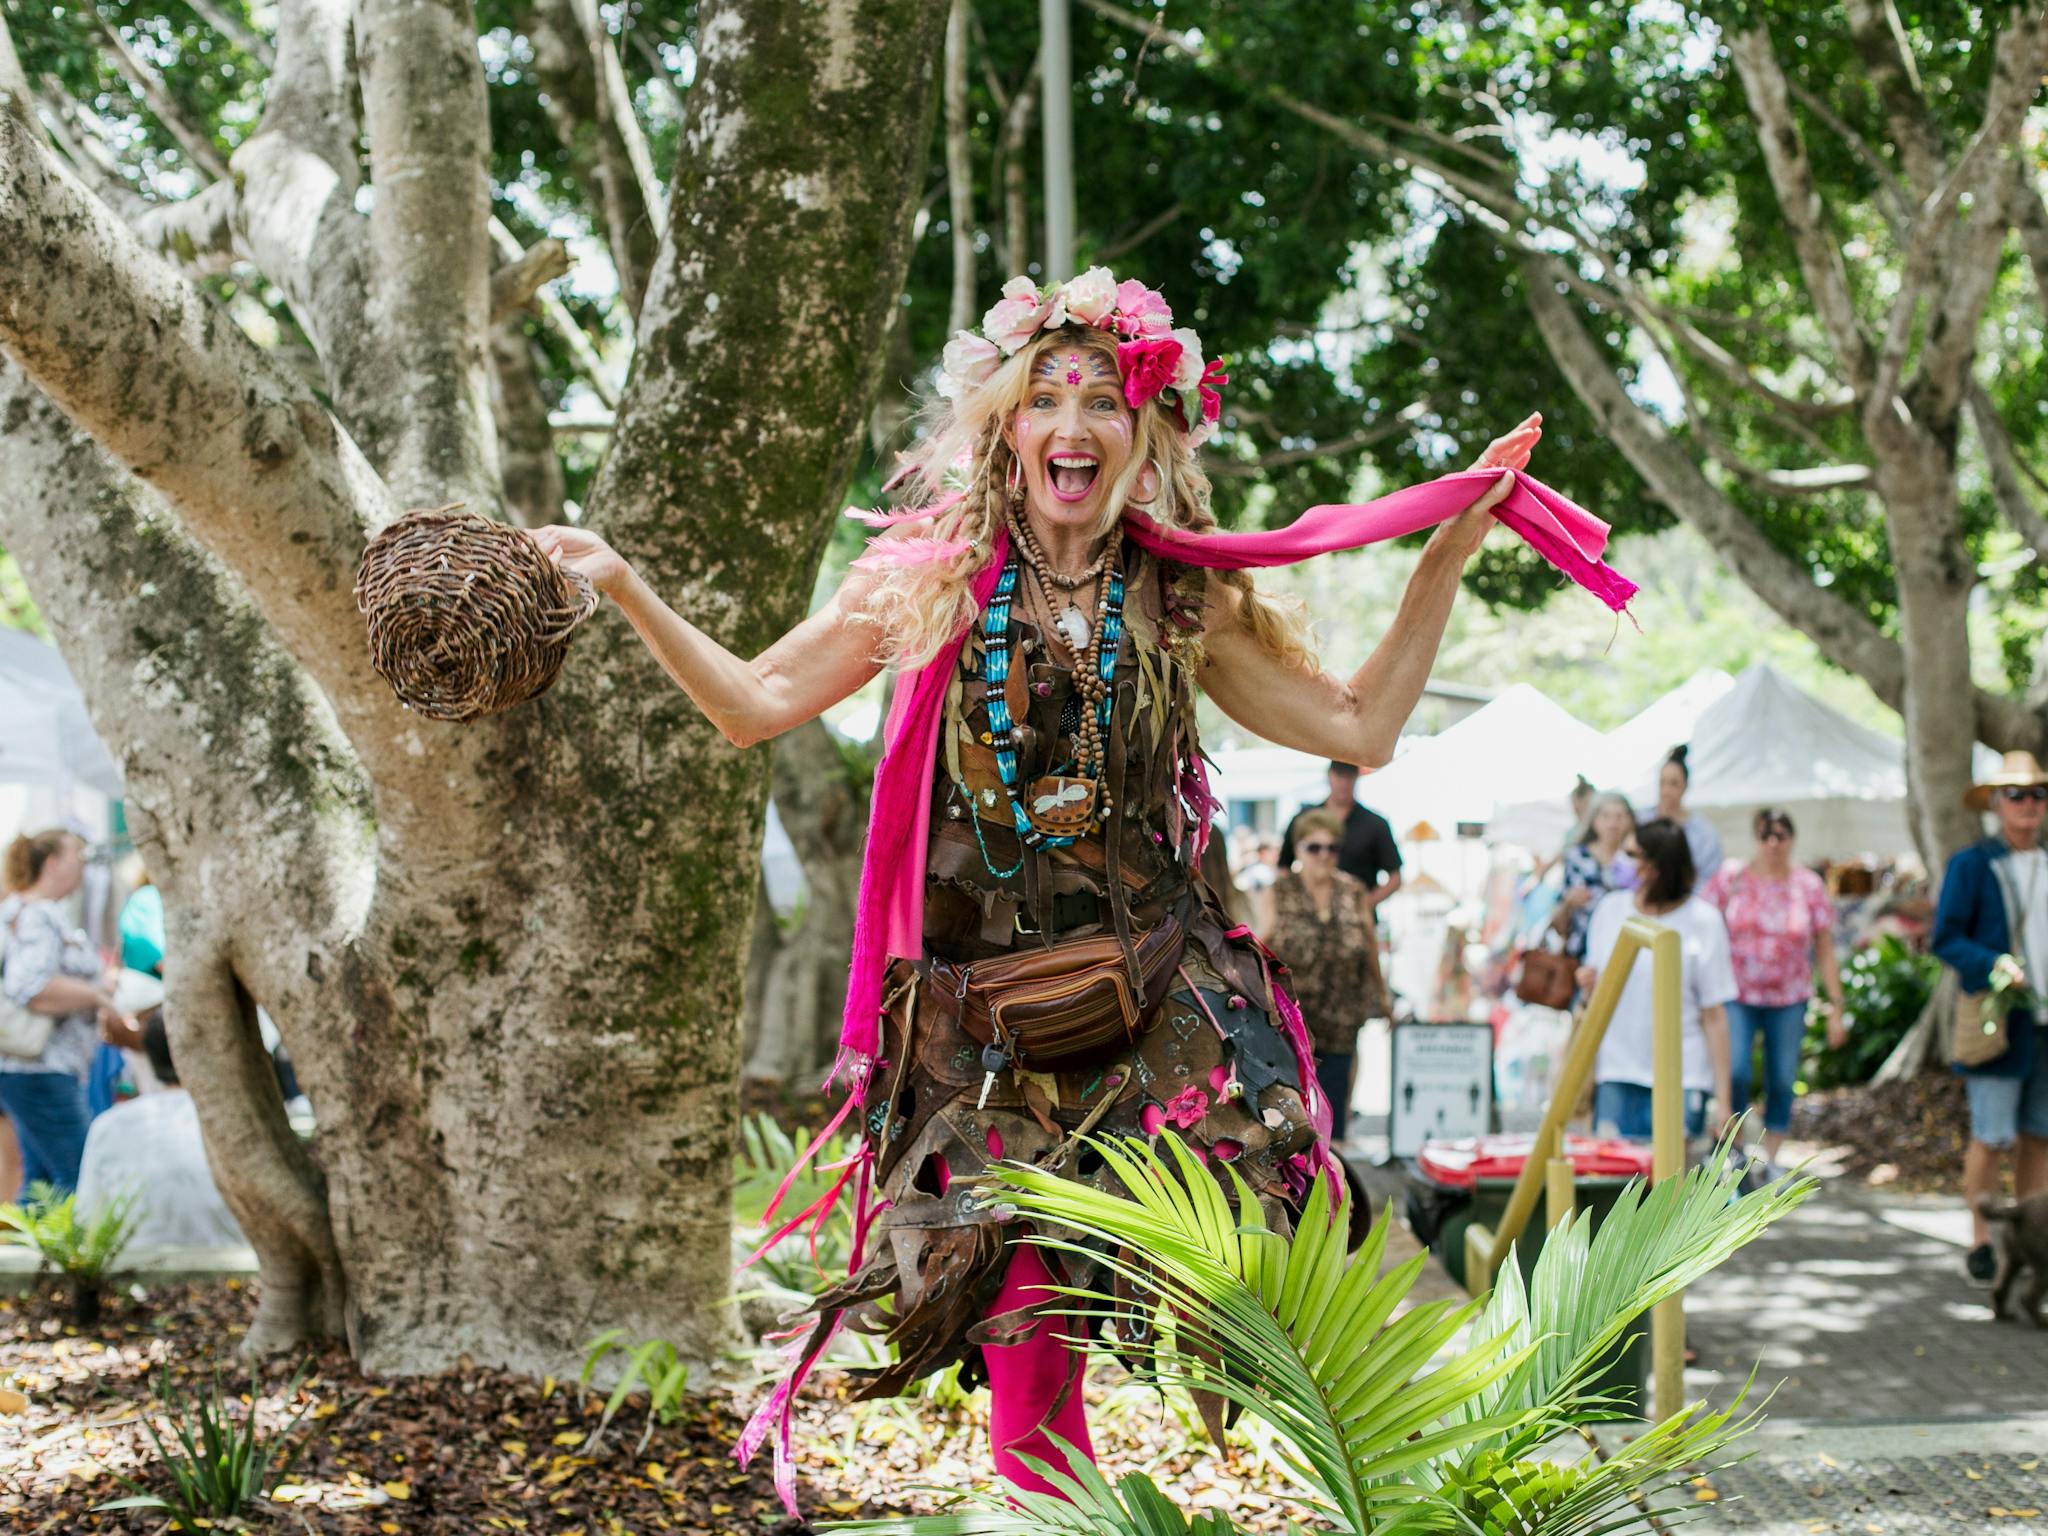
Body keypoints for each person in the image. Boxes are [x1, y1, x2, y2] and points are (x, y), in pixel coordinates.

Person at [533, 265, 1628, 1506]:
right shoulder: (921, 579)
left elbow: (1361, 726)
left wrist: (1450, 543)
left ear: (1142, 433)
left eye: (1101, 399)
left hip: (1165, 1000)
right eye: (1043, 395)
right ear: (1003, 427)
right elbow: (753, 706)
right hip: (984, 1030)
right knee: (1023, 1350)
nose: (1071, 423)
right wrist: (622, 581)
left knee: (1265, 1238)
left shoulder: (1182, 596)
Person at [1932, 750, 2048, 1285]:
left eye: (2036, 795)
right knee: (1992, 1134)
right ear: (1997, 803)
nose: (2027, 805)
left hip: (2044, 1025)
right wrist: (1994, 964)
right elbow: (1947, 938)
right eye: (2016, 795)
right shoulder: (1972, 865)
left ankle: (2029, 1238)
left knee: (2038, 1136)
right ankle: (1981, 1238)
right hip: (1999, 1021)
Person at [1577, 817, 1736, 1143]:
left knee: (1673, 1187)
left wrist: (1724, 1101)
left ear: (1656, 866)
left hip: (1683, 1074)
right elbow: (1593, 999)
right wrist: (1586, 989)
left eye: (1632, 854)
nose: (1622, 860)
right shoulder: (1610, 910)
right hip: (1618, 1071)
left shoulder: (1703, 920)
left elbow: (1714, 1015)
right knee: (1620, 1188)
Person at [1703, 809, 1844, 1166]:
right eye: (1766, 835)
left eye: (1781, 835)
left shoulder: (1807, 885)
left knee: (1782, 1078)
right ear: (1756, 838)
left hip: (1789, 997)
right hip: (1737, 993)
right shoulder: (1732, 877)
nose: (1773, 843)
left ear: (1791, 839)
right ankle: (1731, 1148)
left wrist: (1836, 1007)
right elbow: (1701, 924)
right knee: (1736, 1069)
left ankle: (1772, 1157)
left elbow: (1825, 948)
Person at [0, 830, 131, 1197]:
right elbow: (29, 985)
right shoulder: (38, 915)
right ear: (53, 864)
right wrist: (98, 995)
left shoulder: (23, 911)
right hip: (41, 1068)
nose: (85, 865)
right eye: (79, 856)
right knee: (81, 1177)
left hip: (29, 1069)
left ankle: (33, 1255)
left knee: (43, 1183)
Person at [1262, 808, 1386, 1143]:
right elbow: (1262, 940)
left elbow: (1370, 944)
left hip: (1343, 1009)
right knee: (1295, 1101)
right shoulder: (1280, 890)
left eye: (1332, 848)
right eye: (1314, 848)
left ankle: (1338, 1170)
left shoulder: (1352, 890)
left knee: (1335, 1097)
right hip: (1295, 1015)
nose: (1324, 856)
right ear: (1298, 849)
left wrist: (1383, 995)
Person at [75, 1014, 246, 1249]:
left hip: (131, 1270)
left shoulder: (109, 1125)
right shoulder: (238, 1122)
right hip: (234, 1266)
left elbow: (86, 1220)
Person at [1279, 761, 1404, 916]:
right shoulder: (1305, 819)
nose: (1344, 782)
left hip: (1356, 916)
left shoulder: (1375, 824)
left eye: (1349, 776)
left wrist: (1365, 904)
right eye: (1315, 848)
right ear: (1329, 776)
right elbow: (1283, 866)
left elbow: (1395, 876)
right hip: (1309, 914)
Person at [1554, 790, 1638, 962]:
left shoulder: (1636, 860)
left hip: (1622, 954)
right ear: (1594, 820)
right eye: (1606, 816)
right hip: (1581, 955)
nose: (1613, 824)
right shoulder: (1576, 858)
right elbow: (1558, 920)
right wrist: (1569, 902)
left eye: (1619, 816)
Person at [1647, 744, 1722, 894]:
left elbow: (1711, 879)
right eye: (1663, 782)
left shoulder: (1703, 832)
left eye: (1674, 784)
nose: (1666, 791)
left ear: (1685, 786)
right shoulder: (1642, 822)